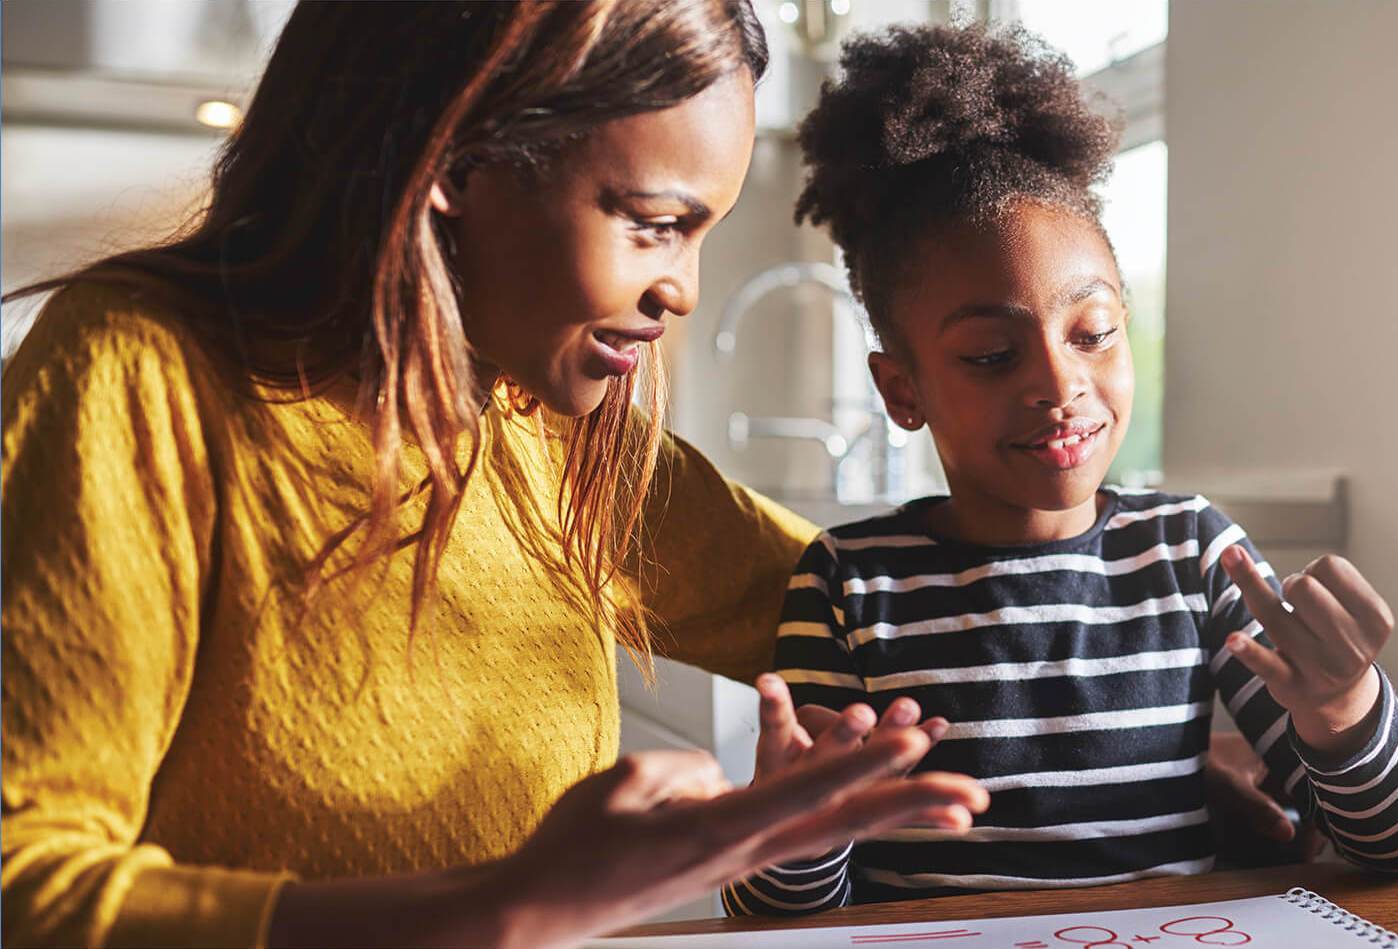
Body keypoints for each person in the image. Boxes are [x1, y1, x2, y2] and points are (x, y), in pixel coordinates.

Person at [0, 3, 987, 947]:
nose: (680, 289)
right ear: (460, 159)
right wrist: (500, 910)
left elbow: (907, 619)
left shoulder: (559, 433)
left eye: (701, 233)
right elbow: (24, 886)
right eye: (652, 222)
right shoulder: (139, 373)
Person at [725, 23, 1398, 915]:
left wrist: (1344, 709)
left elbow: (1396, 844)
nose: (1061, 384)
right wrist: (797, 827)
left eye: (1093, 333)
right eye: (991, 354)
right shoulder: (845, 579)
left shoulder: (1191, 552)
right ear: (901, 387)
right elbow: (771, 916)